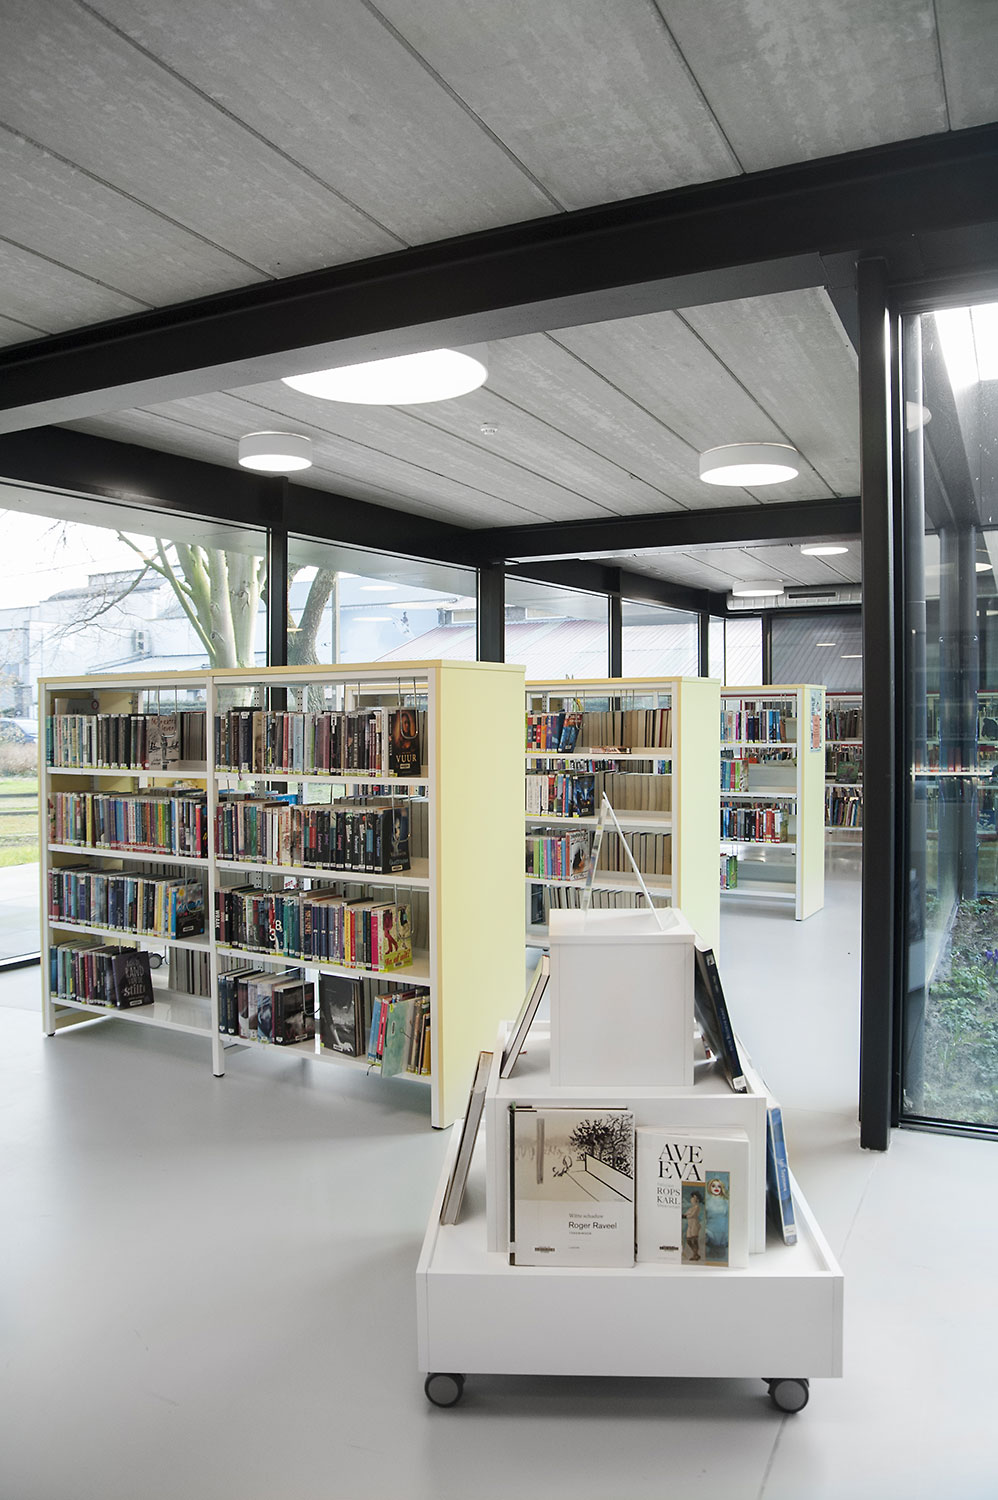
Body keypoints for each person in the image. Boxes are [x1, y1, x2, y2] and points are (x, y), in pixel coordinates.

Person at [684, 1189, 703, 1262]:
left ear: (697, 1199)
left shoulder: (697, 1207)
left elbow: (692, 1215)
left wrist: (685, 1216)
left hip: (694, 1224)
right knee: (688, 1240)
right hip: (690, 1225)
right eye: (692, 1197)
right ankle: (696, 1254)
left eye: (694, 1197)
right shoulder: (690, 1208)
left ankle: (695, 1255)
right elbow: (686, 1214)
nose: (692, 1199)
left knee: (694, 1240)